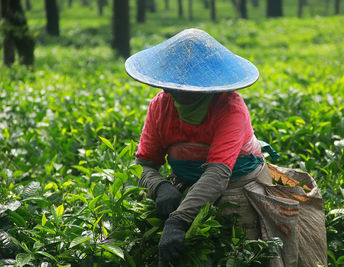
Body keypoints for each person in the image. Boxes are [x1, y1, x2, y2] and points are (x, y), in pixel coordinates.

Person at [125, 28, 327, 267]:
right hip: (186, 185)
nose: (178, 93)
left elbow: (218, 174)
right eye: (173, 87)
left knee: (245, 253)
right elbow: (145, 164)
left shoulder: (230, 107)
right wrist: (160, 187)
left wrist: (178, 221)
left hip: (236, 184)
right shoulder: (160, 106)